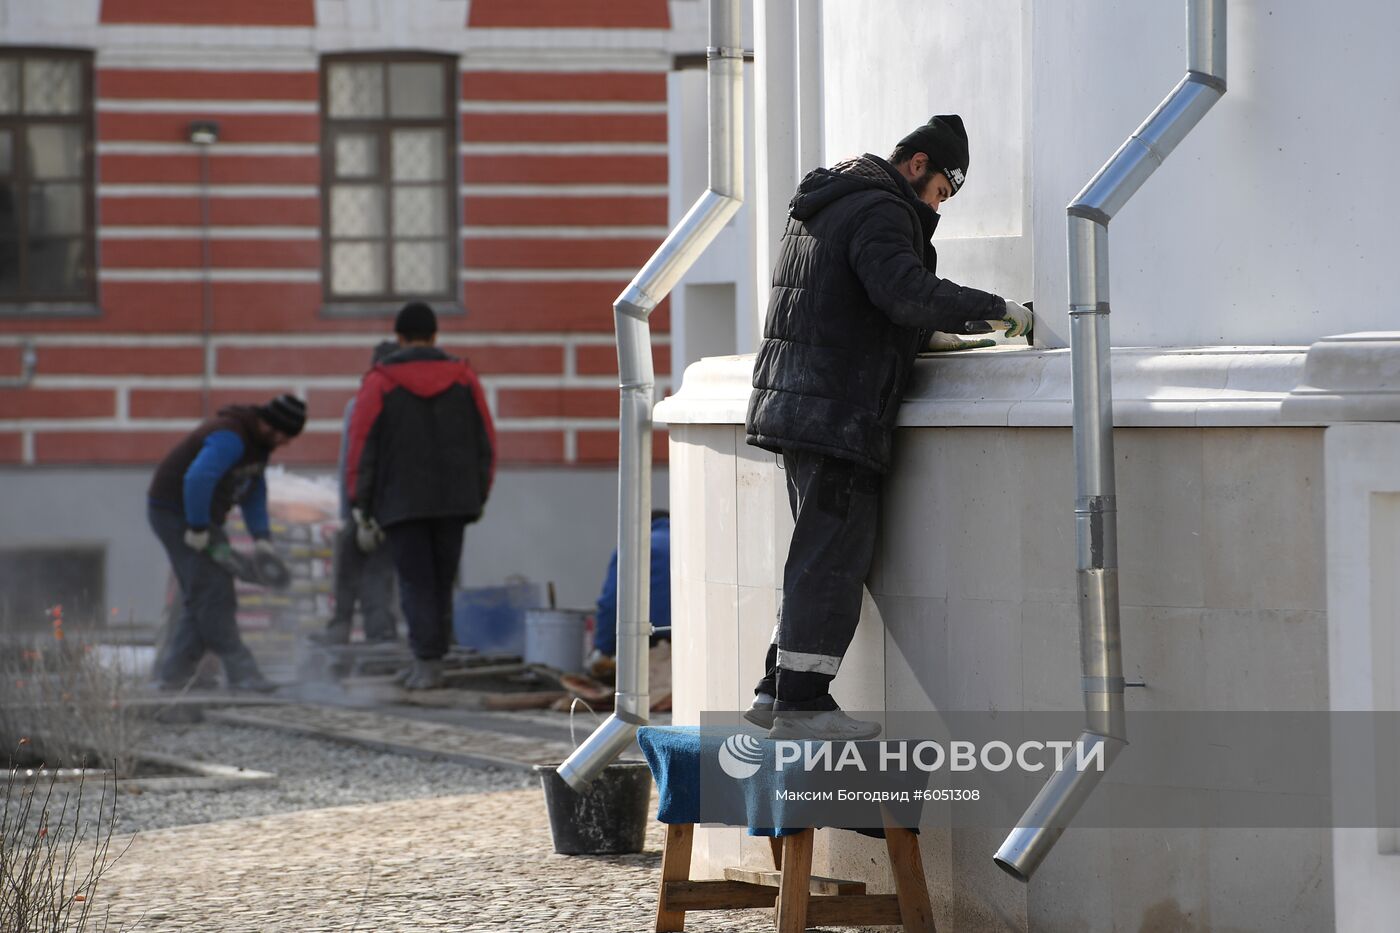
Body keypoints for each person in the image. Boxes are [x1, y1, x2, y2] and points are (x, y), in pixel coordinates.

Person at [743, 115, 1033, 739]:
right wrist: (1000, 313)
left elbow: (850, 298)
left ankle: (777, 690)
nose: (938, 209)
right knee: (834, 557)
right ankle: (801, 703)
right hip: (835, 410)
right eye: (941, 195)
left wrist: (926, 338)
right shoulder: (880, 206)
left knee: (815, 554)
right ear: (919, 165)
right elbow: (903, 291)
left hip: (804, 402)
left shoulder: (836, 198)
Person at [345, 303, 496, 690]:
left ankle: (426, 662)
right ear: (434, 336)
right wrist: (478, 494)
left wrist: (359, 504)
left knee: (414, 583)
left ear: (399, 338)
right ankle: (434, 658)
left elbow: (362, 447)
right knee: (443, 580)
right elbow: (486, 441)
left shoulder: (379, 382)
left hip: (401, 503)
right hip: (454, 500)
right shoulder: (464, 378)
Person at [147, 394, 307, 691]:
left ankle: (173, 676)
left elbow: (254, 491)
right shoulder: (230, 436)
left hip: (202, 520)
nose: (285, 443)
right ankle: (243, 673)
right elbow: (198, 479)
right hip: (174, 514)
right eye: (285, 436)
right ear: (273, 426)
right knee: (212, 591)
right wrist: (196, 527)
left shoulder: (259, 447)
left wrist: (262, 539)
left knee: (204, 593)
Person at [310, 341, 400, 646]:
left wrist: (354, 511)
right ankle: (363, 630)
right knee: (368, 570)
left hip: (372, 506)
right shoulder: (371, 403)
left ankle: (370, 632)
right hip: (376, 506)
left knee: (372, 571)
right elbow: (352, 458)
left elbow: (350, 460)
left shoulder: (363, 403)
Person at [589, 510, 671, 675]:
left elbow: (612, 603)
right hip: (693, 645)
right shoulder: (692, 547)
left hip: (650, 647)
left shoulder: (635, 547)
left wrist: (602, 649)